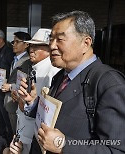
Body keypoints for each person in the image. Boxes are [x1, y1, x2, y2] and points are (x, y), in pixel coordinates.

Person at [18, 11, 125, 154]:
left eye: (60, 39)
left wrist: (63, 145)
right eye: (51, 39)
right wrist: (33, 104)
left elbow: (115, 148)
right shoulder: (62, 75)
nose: (52, 46)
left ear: (85, 43)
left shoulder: (109, 84)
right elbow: (57, 116)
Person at [12, 28, 60, 154]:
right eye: (31, 45)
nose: (31, 49)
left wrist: (28, 104)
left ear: (50, 48)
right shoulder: (33, 67)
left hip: (35, 132)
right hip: (24, 127)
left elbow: (49, 112)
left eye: (37, 46)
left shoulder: (53, 72)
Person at [2, 31, 31, 134]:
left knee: (16, 132)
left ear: (26, 44)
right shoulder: (15, 59)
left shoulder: (28, 61)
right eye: (13, 42)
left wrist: (10, 86)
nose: (14, 44)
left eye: (17, 42)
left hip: (17, 102)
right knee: (11, 130)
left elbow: (27, 83)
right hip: (10, 100)